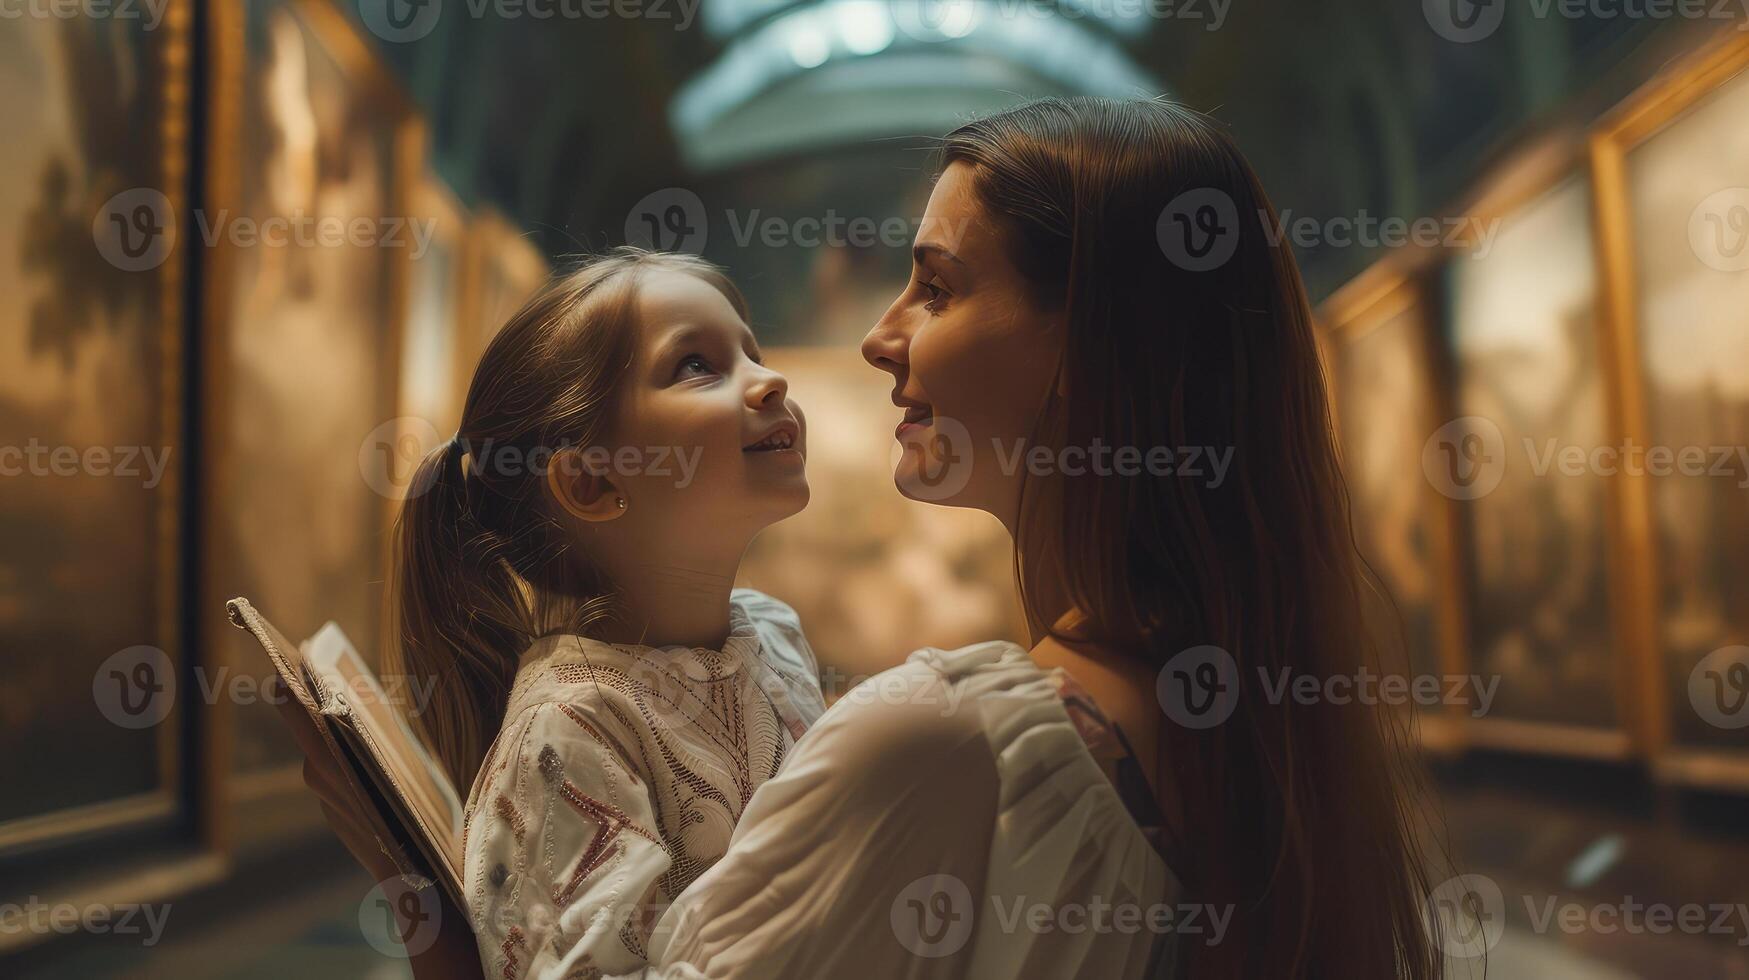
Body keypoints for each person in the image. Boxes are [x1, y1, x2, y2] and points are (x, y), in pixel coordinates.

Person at [286, 97, 1445, 979]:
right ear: (588, 480)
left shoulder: (940, 740)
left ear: (1090, 348)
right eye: (698, 364)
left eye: (936, 289)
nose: (878, 340)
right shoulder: (1246, 708)